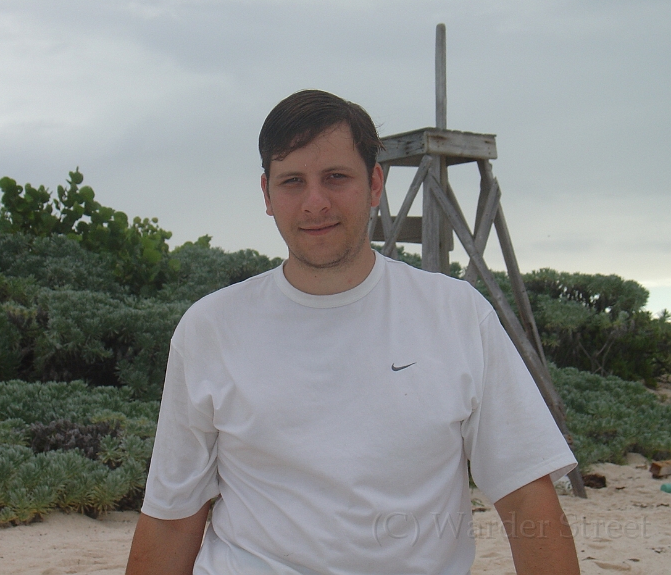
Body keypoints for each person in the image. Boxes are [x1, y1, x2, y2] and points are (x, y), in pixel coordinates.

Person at [125, 90, 580, 574]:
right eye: (293, 181)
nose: (314, 202)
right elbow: (173, 518)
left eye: (335, 178)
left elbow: (528, 501)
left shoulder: (458, 315)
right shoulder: (210, 328)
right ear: (266, 194)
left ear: (375, 183)